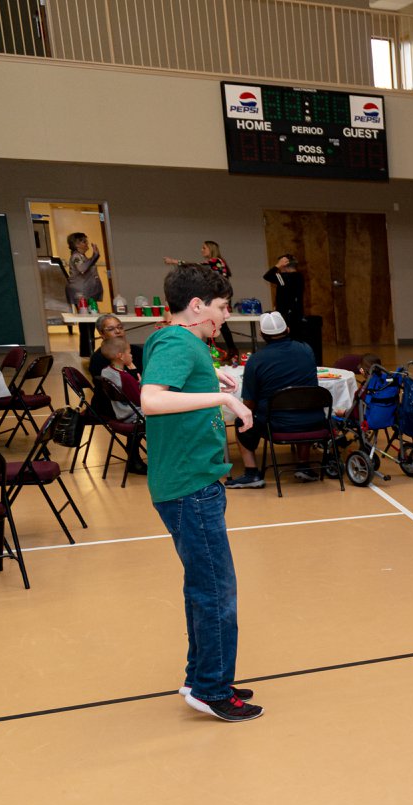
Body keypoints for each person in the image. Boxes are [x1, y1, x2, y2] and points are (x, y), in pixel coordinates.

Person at [138, 264, 262, 723]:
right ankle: (212, 689)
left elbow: (179, 383)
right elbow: (152, 399)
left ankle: (202, 678)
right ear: (196, 306)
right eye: (222, 307)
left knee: (202, 586)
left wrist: (212, 378)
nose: (226, 316)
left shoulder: (178, 340)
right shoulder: (177, 341)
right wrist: (223, 398)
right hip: (190, 486)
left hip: (189, 482)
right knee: (215, 590)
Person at [225, 312, 323, 488]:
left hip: (276, 424)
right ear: (288, 329)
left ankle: (252, 473)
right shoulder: (306, 350)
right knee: (301, 407)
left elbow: (249, 404)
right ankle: (303, 466)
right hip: (312, 419)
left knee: (242, 419)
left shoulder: (256, 360)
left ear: (262, 335)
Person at [163, 240, 238, 356]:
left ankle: (230, 351)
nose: (201, 250)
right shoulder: (215, 263)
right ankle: (216, 350)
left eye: (204, 248)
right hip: (214, 298)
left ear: (211, 249)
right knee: (214, 325)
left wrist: (174, 261)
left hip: (216, 298)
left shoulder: (216, 261)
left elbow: (196, 267)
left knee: (219, 326)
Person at [95, 336, 148, 475]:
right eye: (129, 352)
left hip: (120, 412)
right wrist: (141, 385)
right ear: (120, 356)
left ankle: (133, 456)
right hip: (134, 414)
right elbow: (140, 400)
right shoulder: (125, 378)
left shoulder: (106, 371)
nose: (131, 355)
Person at [65, 232, 104, 357]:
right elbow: (82, 269)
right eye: (83, 241)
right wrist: (95, 256)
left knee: (89, 322)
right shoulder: (76, 256)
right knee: (86, 322)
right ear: (76, 244)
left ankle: (88, 351)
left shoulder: (82, 256)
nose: (87, 243)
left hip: (86, 293)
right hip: (80, 293)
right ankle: (88, 352)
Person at [262, 254, 304, 329]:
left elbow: (267, 276)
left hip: (286, 314)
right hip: (297, 312)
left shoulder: (284, 277)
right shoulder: (299, 276)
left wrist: (277, 266)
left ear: (284, 266)